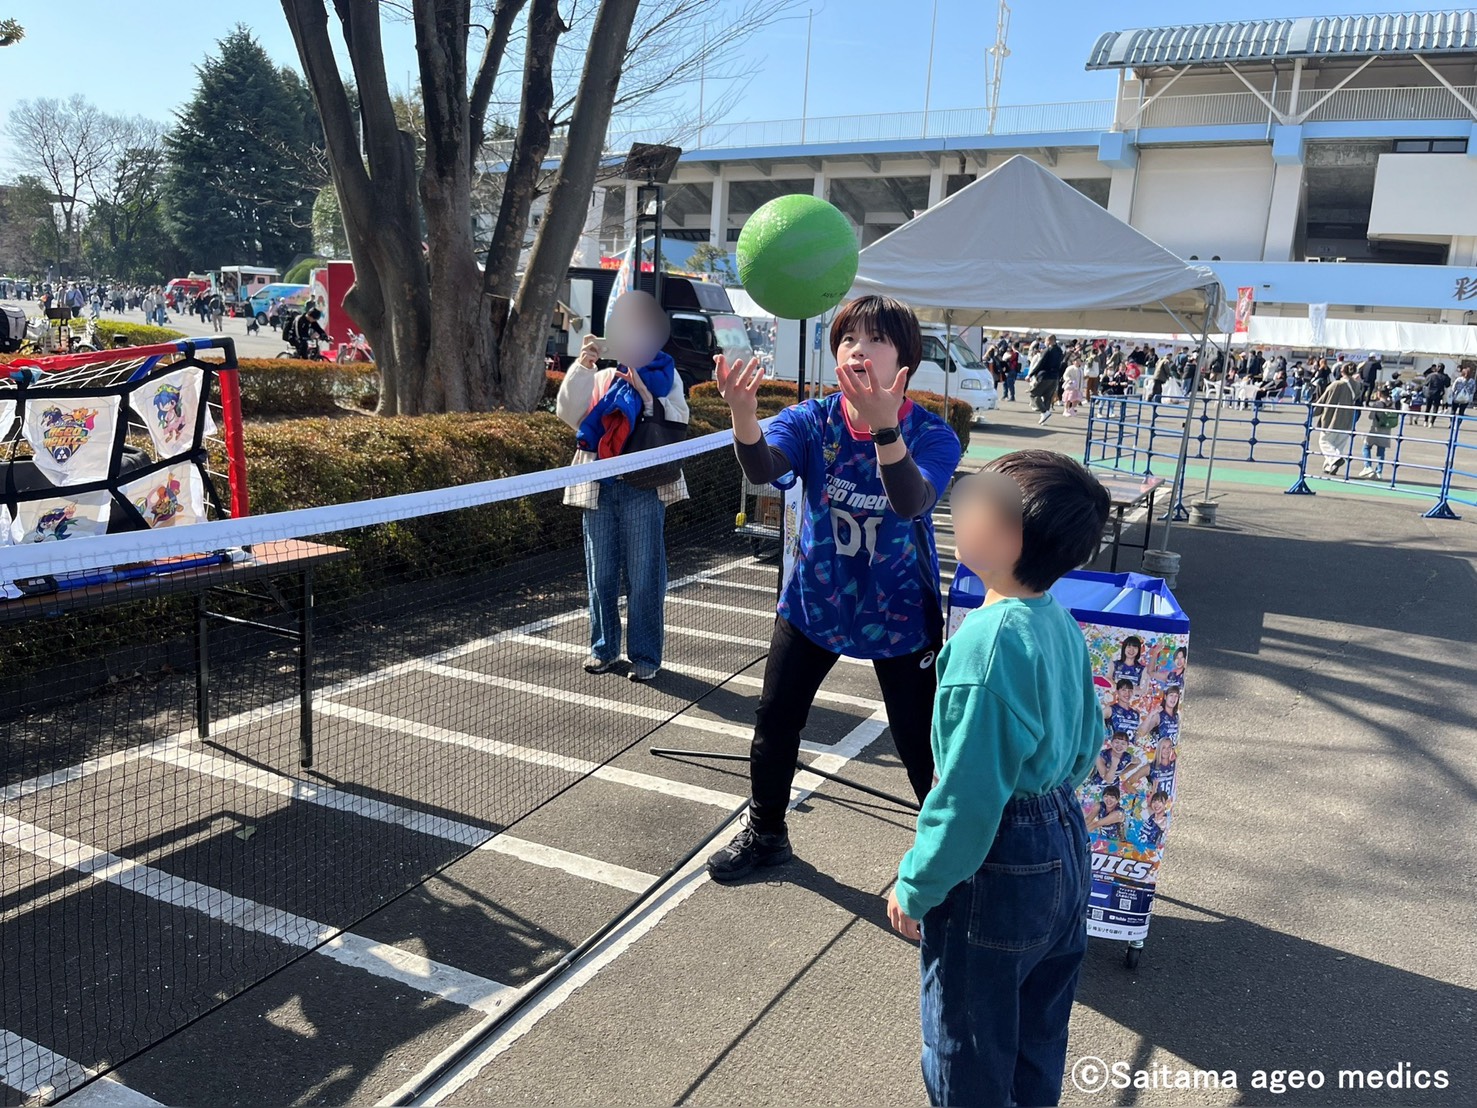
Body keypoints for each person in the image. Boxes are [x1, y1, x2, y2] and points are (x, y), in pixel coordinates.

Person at [706, 295, 962, 881]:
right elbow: (764, 468)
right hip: (814, 603)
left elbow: (911, 500)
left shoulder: (933, 435)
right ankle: (767, 833)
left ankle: (949, 866)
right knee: (776, 721)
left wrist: (885, 428)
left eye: (874, 339)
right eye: (848, 340)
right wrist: (744, 416)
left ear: (905, 360)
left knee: (921, 746)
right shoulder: (811, 420)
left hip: (898, 613)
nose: (857, 350)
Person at [884, 449, 1109, 1108]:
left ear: (1009, 536)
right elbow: (1088, 737)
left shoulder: (983, 644)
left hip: (1002, 860)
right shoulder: (1054, 618)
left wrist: (917, 883)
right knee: (1037, 1034)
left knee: (968, 1047)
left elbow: (966, 797)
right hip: (1063, 838)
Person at [555, 304, 689, 683]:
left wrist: (647, 397)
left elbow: (679, 420)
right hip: (600, 482)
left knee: (646, 575)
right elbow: (568, 412)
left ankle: (646, 655)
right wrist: (584, 366)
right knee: (601, 573)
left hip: (643, 486)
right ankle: (604, 649)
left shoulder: (665, 374)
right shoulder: (602, 375)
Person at [1313, 364, 1358, 475]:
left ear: (1341, 371)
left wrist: (1314, 411)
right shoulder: (1357, 385)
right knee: (1338, 444)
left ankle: (1334, 460)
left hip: (1332, 418)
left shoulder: (1336, 384)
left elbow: (1323, 399)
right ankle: (1329, 466)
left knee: (1324, 441)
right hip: (1347, 418)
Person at [1358, 383, 1398, 480]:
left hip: (1376, 429)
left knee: (1366, 447)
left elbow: (1371, 416)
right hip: (1386, 431)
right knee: (1381, 451)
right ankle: (1379, 471)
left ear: (1379, 394)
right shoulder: (1392, 404)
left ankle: (1368, 466)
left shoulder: (1377, 404)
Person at [1027, 334, 1064, 424]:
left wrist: (1031, 374)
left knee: (1034, 394)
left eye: (1046, 341)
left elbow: (1040, 364)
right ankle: (1044, 418)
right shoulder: (1060, 351)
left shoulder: (1047, 350)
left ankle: (1044, 412)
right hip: (1055, 377)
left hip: (1045, 376)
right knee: (1047, 397)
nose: (1045, 343)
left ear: (1050, 341)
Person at [1423, 362, 1452, 426]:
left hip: (1429, 393)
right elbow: (1447, 385)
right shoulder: (1445, 376)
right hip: (1438, 394)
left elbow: (1426, 383)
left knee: (1428, 407)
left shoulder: (1431, 375)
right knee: (1435, 408)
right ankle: (1431, 422)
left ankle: (1425, 421)